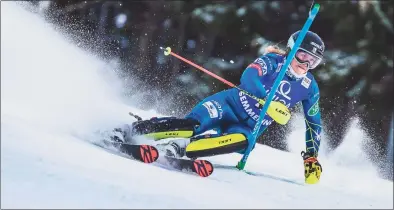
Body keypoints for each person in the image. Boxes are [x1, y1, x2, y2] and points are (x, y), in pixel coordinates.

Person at [107, 30, 324, 183]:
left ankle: (182, 147)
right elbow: (249, 76)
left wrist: (311, 157)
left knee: (244, 143)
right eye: (302, 55)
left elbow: (314, 123)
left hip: (248, 127)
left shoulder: (309, 87)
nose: (305, 64)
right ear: (291, 49)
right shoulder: (272, 61)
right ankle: (131, 130)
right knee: (191, 126)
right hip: (227, 105)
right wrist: (267, 101)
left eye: (312, 61)